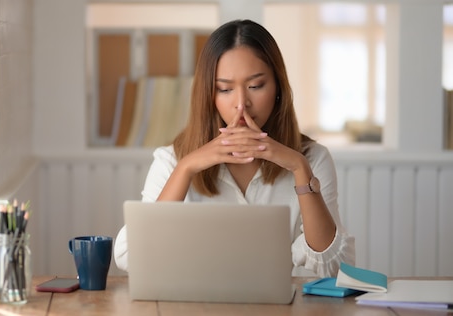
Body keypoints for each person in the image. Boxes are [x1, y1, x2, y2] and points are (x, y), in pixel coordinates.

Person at [113, 19, 355, 277]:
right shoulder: (173, 160)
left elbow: (334, 266)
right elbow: (130, 256)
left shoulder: (311, 159)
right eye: (225, 89)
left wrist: (298, 167)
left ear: (278, 89)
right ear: (209, 95)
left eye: (255, 86)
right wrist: (186, 167)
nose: (241, 104)